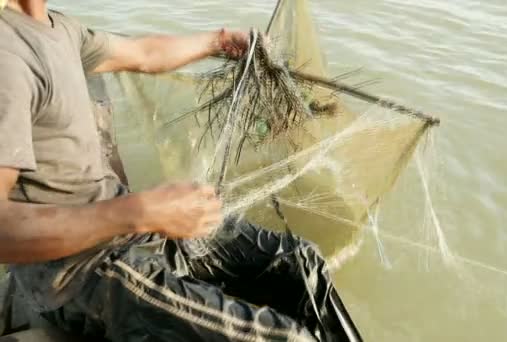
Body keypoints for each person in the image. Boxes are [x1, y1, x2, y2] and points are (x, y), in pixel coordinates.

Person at [0, 1, 362, 341]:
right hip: (80, 274)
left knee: (300, 261)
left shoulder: (58, 28)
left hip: (131, 231)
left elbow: (143, 54)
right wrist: (140, 212)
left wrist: (218, 41)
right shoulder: (8, 57)